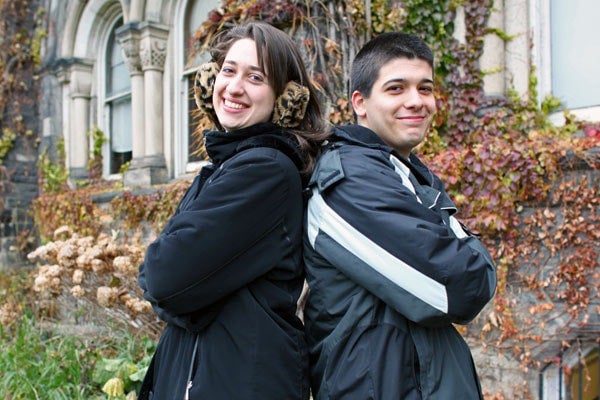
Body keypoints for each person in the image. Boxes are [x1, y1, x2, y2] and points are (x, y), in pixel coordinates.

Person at [137, 21, 329, 399]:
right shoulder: (227, 167)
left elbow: (160, 277)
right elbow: (166, 278)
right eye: (228, 71)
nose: (234, 87)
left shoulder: (265, 171)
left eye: (255, 77)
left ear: (286, 98)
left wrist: (185, 302)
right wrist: (186, 299)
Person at [303, 32, 497, 399]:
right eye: (396, 88)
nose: (416, 101)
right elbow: (459, 289)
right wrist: (469, 249)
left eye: (425, 88)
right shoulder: (349, 180)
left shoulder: (404, 173)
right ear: (360, 102)